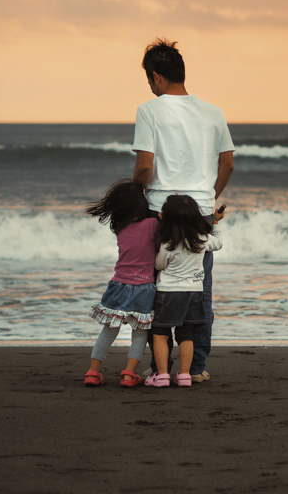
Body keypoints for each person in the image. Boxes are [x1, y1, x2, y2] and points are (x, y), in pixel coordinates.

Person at [132, 39, 235, 383]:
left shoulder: (149, 110)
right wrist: (207, 198)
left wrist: (136, 198)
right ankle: (196, 368)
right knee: (199, 290)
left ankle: (159, 368)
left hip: (160, 210)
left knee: (157, 287)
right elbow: (227, 164)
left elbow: (144, 167)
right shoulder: (214, 112)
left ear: (156, 76)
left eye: (149, 79)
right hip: (201, 211)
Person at [84, 179, 160, 387]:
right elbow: (159, 246)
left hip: (118, 284)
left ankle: (92, 372)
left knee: (108, 330)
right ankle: (128, 374)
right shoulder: (152, 225)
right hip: (144, 287)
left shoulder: (120, 227)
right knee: (140, 333)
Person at [145, 195, 224, 388]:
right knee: (187, 335)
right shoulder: (202, 239)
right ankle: (185, 375)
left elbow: (159, 265)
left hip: (168, 294)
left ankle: (162, 375)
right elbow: (218, 243)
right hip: (194, 294)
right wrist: (215, 222)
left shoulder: (168, 243)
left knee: (160, 334)